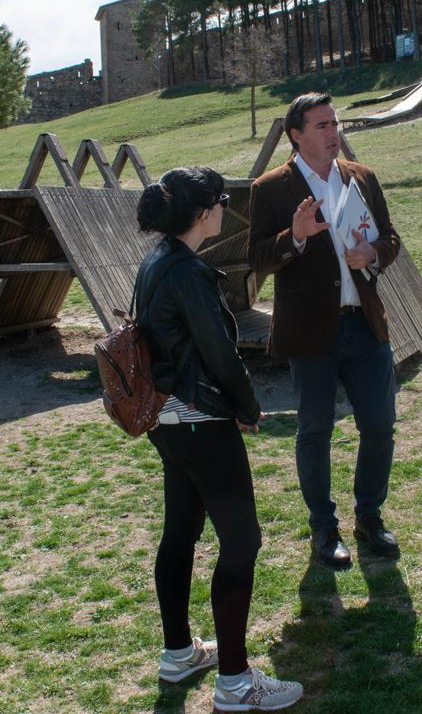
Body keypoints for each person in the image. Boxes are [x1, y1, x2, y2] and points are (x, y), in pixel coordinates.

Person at [135, 167, 302, 711]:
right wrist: (249, 407)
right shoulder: (189, 272)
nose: (225, 211)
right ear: (204, 211)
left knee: (180, 533)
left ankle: (179, 653)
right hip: (201, 423)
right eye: (221, 203)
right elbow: (220, 355)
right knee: (242, 542)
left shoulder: (156, 261)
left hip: (168, 422)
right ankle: (234, 682)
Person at [247, 93, 403, 571]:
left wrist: (372, 254)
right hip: (311, 332)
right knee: (314, 430)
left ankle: (369, 518)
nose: (333, 132)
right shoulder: (271, 188)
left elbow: (391, 238)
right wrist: (294, 237)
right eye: (321, 125)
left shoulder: (362, 176)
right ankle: (324, 527)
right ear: (296, 134)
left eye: (334, 123)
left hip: (364, 324)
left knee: (379, 425)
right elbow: (256, 259)